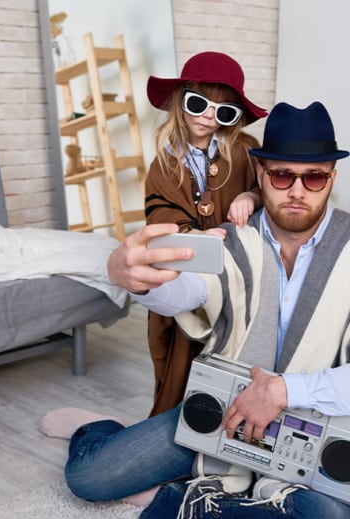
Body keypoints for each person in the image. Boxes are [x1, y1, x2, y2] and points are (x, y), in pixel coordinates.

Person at [42, 101, 350, 519]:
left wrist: (280, 391)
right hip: (223, 414)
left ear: (330, 180)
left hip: (319, 429)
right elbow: (186, 292)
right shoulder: (235, 240)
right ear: (261, 176)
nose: (297, 190)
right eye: (282, 175)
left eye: (313, 177)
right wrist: (138, 281)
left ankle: (158, 497)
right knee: (89, 479)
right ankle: (103, 431)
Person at [143, 51, 268, 417]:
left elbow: (273, 192)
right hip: (185, 270)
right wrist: (194, 238)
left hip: (239, 275)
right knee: (179, 351)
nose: (207, 116)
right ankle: (176, 419)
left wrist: (251, 194)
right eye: (198, 104)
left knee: (233, 350)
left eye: (223, 111)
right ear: (180, 101)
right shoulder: (164, 162)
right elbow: (160, 213)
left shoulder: (245, 150)